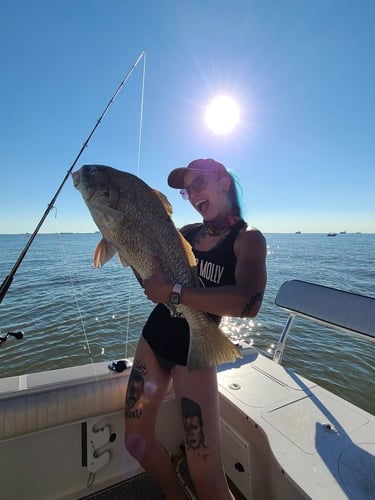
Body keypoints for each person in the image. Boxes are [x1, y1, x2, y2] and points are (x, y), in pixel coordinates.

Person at [124, 158, 267, 499]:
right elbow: (152, 285)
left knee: (208, 478)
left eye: (198, 184)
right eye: (187, 190)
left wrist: (172, 292)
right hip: (154, 340)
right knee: (135, 442)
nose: (191, 194)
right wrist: (124, 241)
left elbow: (249, 302)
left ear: (223, 183)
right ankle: (175, 494)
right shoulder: (185, 233)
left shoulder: (247, 240)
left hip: (196, 353)